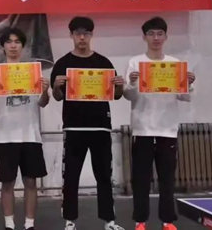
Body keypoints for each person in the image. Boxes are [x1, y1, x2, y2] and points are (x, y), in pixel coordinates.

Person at [50, 17, 125, 230]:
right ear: (71, 35)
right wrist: (56, 86)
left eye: (86, 33)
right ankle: (70, 221)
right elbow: (57, 97)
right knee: (71, 176)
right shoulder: (62, 64)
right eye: (78, 33)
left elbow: (116, 95)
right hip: (74, 127)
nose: (82, 37)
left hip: (100, 126)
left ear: (91, 35)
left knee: (104, 176)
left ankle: (109, 221)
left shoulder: (103, 63)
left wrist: (119, 85)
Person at [124, 17, 196, 230]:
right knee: (141, 178)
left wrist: (189, 84)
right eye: (151, 34)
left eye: (159, 34)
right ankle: (140, 220)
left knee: (167, 178)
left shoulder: (175, 64)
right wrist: (132, 83)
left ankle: (167, 220)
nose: (155, 38)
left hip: (167, 129)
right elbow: (128, 96)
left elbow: (184, 96)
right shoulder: (135, 63)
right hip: (142, 129)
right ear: (144, 37)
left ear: (165, 37)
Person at [0, 28, 50, 230]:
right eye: (9, 42)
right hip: (5, 137)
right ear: (3, 46)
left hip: (31, 135)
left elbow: (43, 103)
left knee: (31, 183)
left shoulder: (33, 71)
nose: (13, 46)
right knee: (7, 183)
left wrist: (45, 91)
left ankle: (29, 224)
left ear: (23, 46)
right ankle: (9, 224)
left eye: (17, 42)